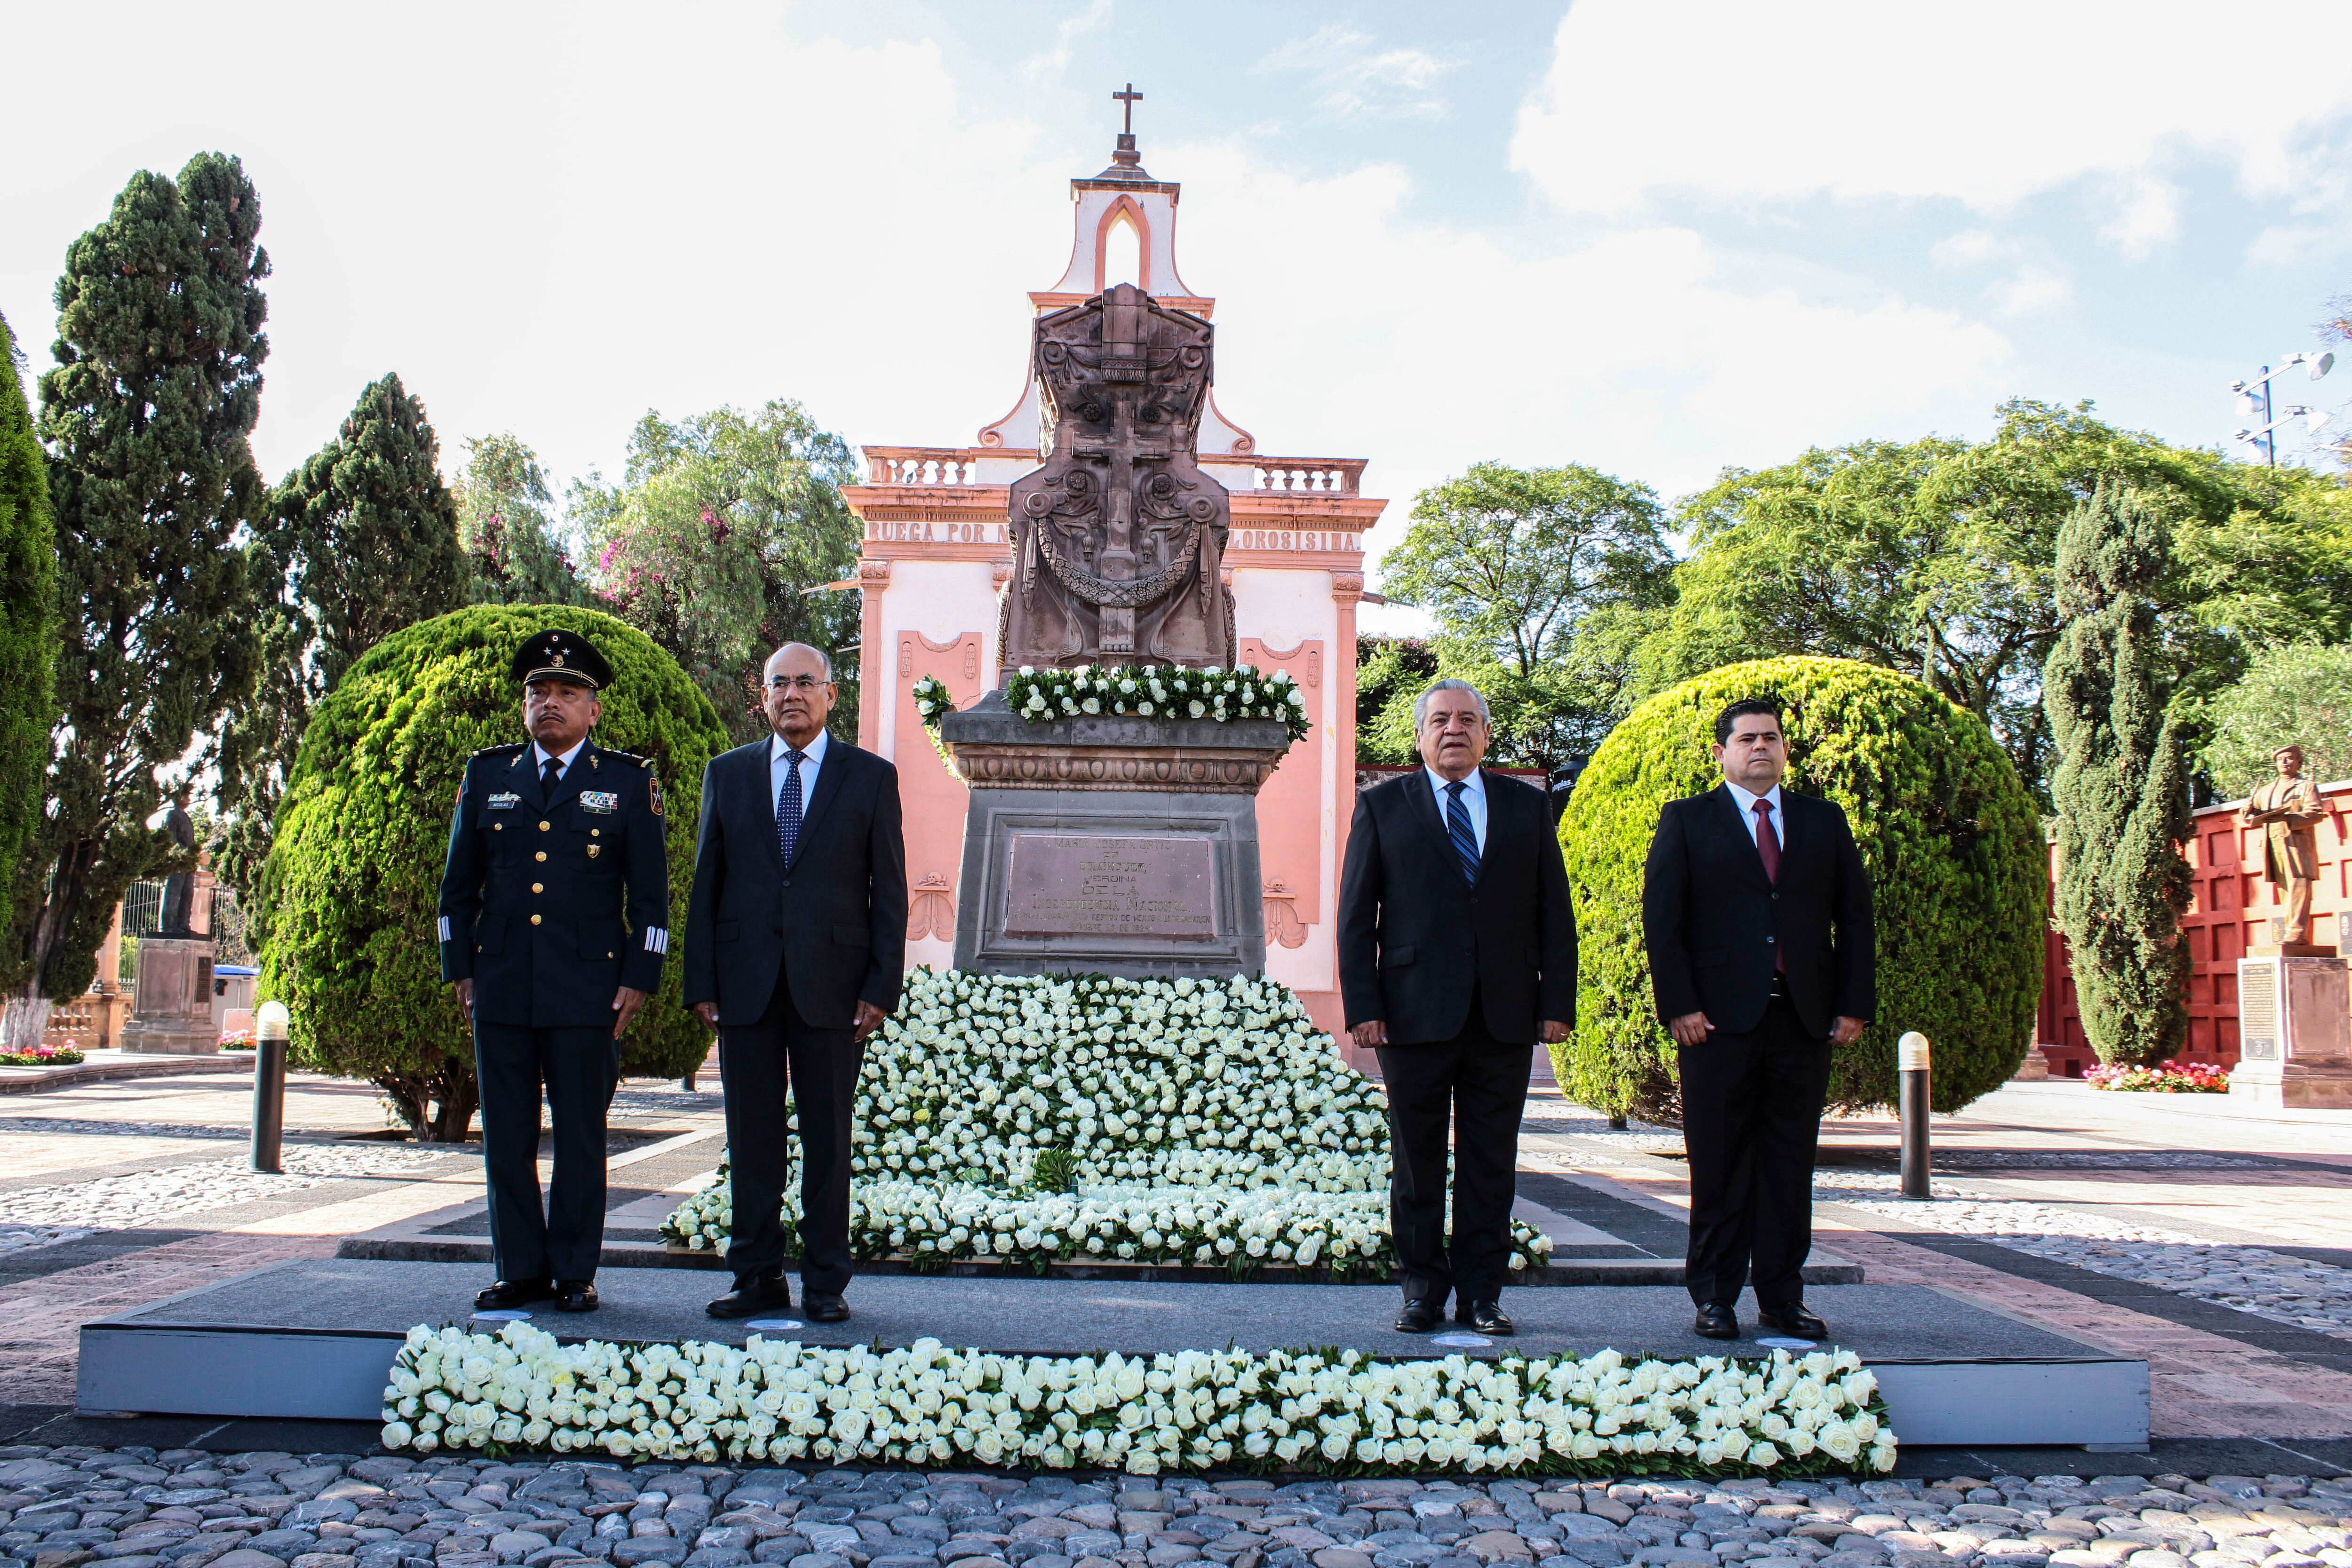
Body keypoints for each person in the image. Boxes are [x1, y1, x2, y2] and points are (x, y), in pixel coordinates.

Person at [438, 628, 670, 1315]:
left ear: (593, 711)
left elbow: (651, 899)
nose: (551, 704)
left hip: (587, 988)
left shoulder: (627, 782)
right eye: (539, 692)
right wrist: (461, 968)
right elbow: (457, 892)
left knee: (579, 1136)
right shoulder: (488, 776)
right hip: (502, 982)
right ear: (524, 706)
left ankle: (574, 1270)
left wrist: (640, 977)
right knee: (505, 1136)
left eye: (568, 693)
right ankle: (519, 1269)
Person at [1338, 678, 1575, 1337]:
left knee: (1491, 1160)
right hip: (1411, 1014)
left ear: (1485, 735)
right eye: (1440, 719)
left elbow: (1554, 911)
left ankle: (1482, 1293)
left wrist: (1556, 1000)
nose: (1454, 729)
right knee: (1417, 1160)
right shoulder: (1384, 806)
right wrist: (1364, 1004)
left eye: (1467, 720)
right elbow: (1357, 916)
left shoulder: (1524, 808)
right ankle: (1420, 1288)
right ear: (1419, 735)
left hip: (1504, 1013)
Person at [683, 642, 906, 1324]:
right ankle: (755, 1275)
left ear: (832, 695)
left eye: (806, 682)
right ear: (763, 697)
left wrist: (881, 986)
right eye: (778, 683)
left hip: (834, 989)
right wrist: (701, 981)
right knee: (752, 1139)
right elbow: (706, 884)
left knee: (827, 1139)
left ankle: (824, 1281)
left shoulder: (869, 777)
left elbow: (889, 892)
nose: (792, 695)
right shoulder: (728, 774)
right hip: (745, 983)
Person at [1643, 697, 1873, 1343]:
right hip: (1715, 1024)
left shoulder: (1822, 823)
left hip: (1801, 1021)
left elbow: (1853, 918)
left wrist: (1854, 1003)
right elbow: (1665, 924)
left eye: (1771, 738)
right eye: (1746, 739)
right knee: (1717, 1164)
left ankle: (1781, 1296)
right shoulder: (1688, 821)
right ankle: (1714, 1296)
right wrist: (1680, 1004)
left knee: (1788, 1165)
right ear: (1721, 753)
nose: (1760, 748)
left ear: (1785, 749)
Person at [2239, 745, 2327, 947]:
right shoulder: (2266, 790)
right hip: (2274, 844)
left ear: (2299, 763)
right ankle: (2292, 932)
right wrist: (2246, 811)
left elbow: (2315, 813)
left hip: (2297, 845)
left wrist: (2288, 818)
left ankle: (2297, 933)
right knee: (2285, 890)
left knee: (2300, 886)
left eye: (2289, 759)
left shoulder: (2306, 787)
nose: (2284, 763)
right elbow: (2252, 816)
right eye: (2280, 760)